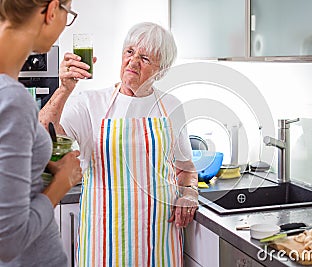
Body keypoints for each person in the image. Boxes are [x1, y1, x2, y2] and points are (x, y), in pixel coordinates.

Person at [39, 22, 198, 266]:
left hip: (158, 241)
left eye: (145, 58)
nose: (133, 62)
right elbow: (43, 135)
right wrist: (64, 89)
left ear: (162, 70)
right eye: (129, 52)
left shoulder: (172, 106)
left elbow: (186, 170)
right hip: (104, 241)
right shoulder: (90, 102)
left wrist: (188, 193)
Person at [0, 0, 82, 266]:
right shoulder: (12, 98)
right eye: (67, 14)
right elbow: (8, 241)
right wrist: (63, 182)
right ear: (51, 10)